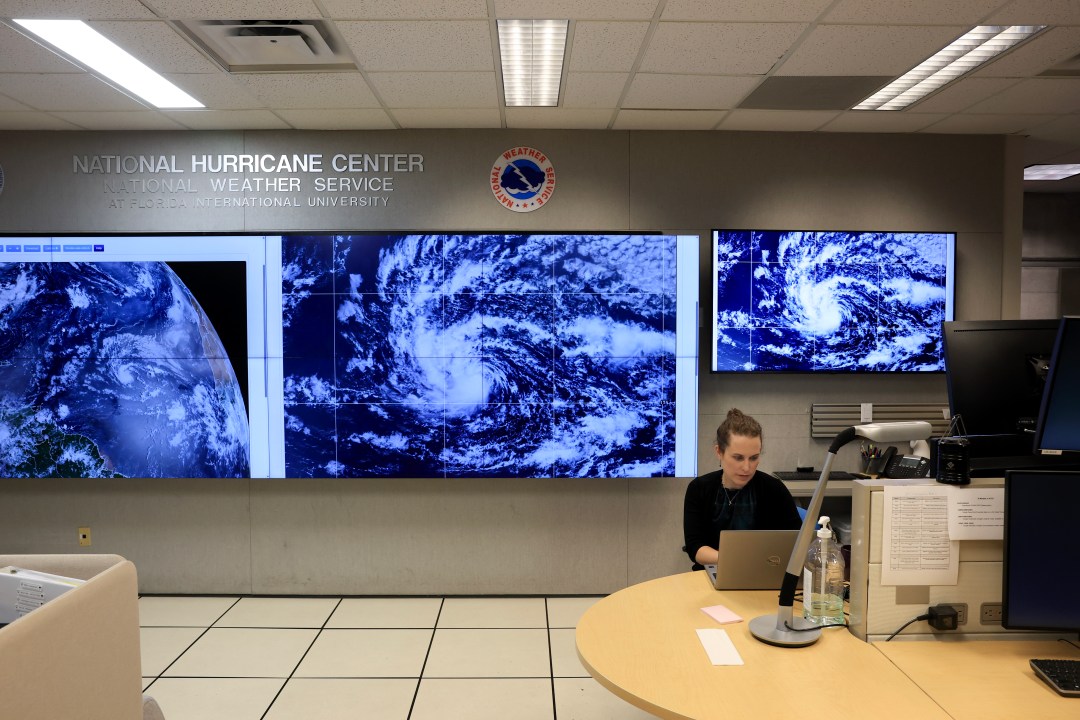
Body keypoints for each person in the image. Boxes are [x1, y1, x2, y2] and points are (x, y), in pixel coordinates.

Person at [683, 408, 803, 569]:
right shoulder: (699, 489)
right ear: (719, 452)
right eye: (738, 457)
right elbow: (695, 548)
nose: (747, 467)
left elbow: (796, 542)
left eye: (754, 458)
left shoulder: (774, 489)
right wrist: (737, 560)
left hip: (763, 572)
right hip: (710, 572)